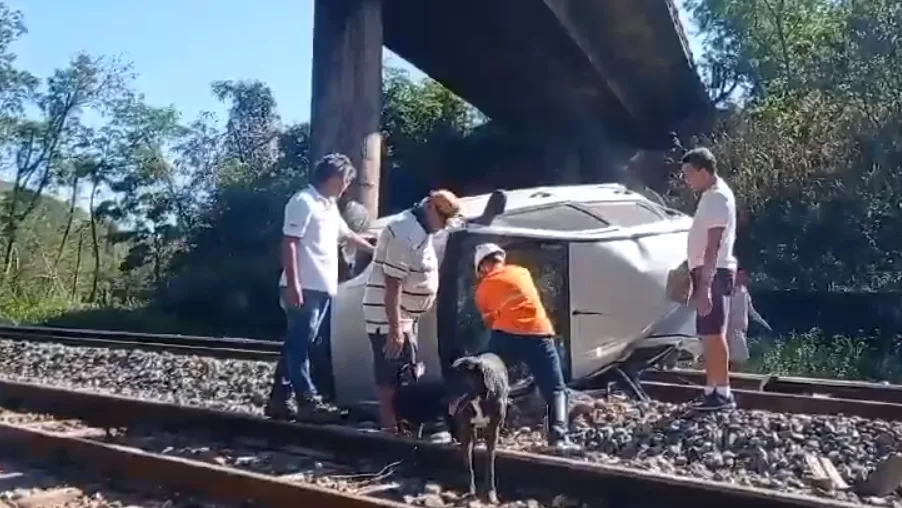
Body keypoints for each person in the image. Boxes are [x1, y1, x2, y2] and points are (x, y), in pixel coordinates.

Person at [265, 153, 375, 422]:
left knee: (297, 343)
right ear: (335, 177)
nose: (347, 186)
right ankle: (307, 401)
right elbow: (289, 242)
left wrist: (376, 249)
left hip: (322, 287)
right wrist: (293, 284)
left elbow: (347, 234)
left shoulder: (328, 205)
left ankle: (279, 399)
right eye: (346, 180)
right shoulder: (303, 201)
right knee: (300, 345)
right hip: (304, 286)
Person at [363, 189, 461, 432]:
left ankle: (404, 424)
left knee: (406, 371)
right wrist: (395, 328)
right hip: (389, 317)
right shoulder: (404, 232)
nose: (444, 226)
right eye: (443, 219)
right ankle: (391, 428)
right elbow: (392, 283)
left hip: (404, 315)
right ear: (429, 207)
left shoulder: (419, 229)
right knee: (389, 373)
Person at [470, 243, 579, 450]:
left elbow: (490, 323)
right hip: (539, 335)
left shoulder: (482, 290)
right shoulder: (522, 272)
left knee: (486, 382)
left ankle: (481, 433)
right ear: (501, 259)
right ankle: (559, 438)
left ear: (482, 267)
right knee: (556, 389)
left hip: (505, 337)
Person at [681, 147, 738, 412]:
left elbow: (713, 244)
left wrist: (704, 285)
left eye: (689, 174)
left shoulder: (717, 198)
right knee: (708, 333)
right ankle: (712, 389)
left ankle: (723, 394)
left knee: (714, 334)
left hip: (713, 273)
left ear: (703, 171)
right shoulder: (711, 196)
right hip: (707, 272)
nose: (687, 180)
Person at [727, 266, 772, 369]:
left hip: (741, 331)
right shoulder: (729, 291)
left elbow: (751, 311)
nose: (744, 278)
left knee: (734, 360)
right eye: (740, 275)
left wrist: (764, 324)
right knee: (741, 359)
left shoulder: (744, 291)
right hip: (731, 331)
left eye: (744, 275)